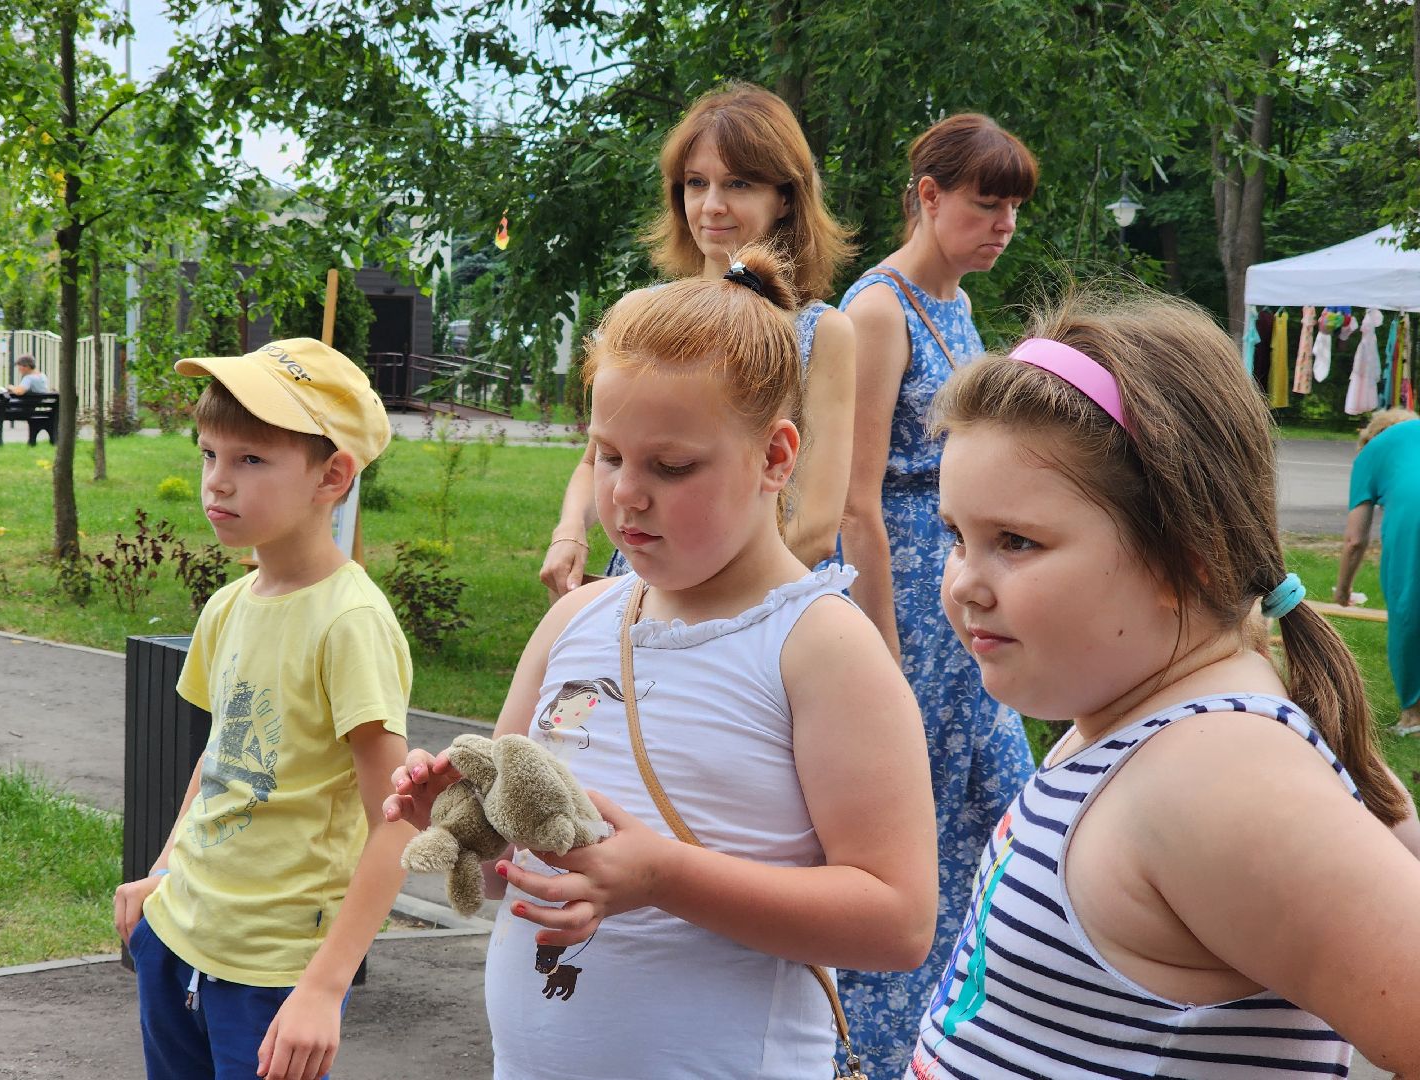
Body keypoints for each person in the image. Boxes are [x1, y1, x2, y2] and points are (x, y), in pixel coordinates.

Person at [386, 246, 937, 1078]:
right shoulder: (575, 621)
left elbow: (897, 924)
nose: (627, 494)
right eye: (608, 455)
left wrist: (664, 878)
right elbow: (516, 877)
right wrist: (462, 820)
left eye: (671, 466)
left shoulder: (821, 645)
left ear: (776, 458)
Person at [907, 287, 1420, 1077]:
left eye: (1016, 541)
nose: (964, 582)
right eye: (956, 536)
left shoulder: (1219, 775)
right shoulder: (1130, 724)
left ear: (1186, 558)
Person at [112, 338, 413, 1080]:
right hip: (177, 937)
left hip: (274, 973)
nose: (218, 483)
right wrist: (162, 874)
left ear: (332, 475)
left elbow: (398, 825)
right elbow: (221, 761)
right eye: (209, 454)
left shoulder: (350, 624)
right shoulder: (228, 605)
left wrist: (323, 987)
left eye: (251, 461)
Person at [834, 112, 1039, 1072]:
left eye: (1012, 208)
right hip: (905, 604)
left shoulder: (955, 301)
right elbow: (852, 497)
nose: (1003, 223)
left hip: (962, 591)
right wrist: (881, 642)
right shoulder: (878, 309)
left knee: (997, 809)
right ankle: (868, 1054)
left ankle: (963, 1038)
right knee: (909, 836)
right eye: (985, 202)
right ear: (928, 196)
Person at [540, 82, 855, 594]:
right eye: (695, 182)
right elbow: (600, 458)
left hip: (751, 605)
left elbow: (816, 526)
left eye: (738, 184)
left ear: (784, 199)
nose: (711, 205)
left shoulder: (823, 332)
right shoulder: (641, 313)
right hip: (641, 590)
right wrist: (569, 531)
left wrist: (695, 601)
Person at [1335, 406, 1420, 735]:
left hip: (1414, 519)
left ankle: (1413, 716)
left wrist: (1343, 590)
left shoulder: (1371, 452)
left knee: (1407, 608)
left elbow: (1355, 539)